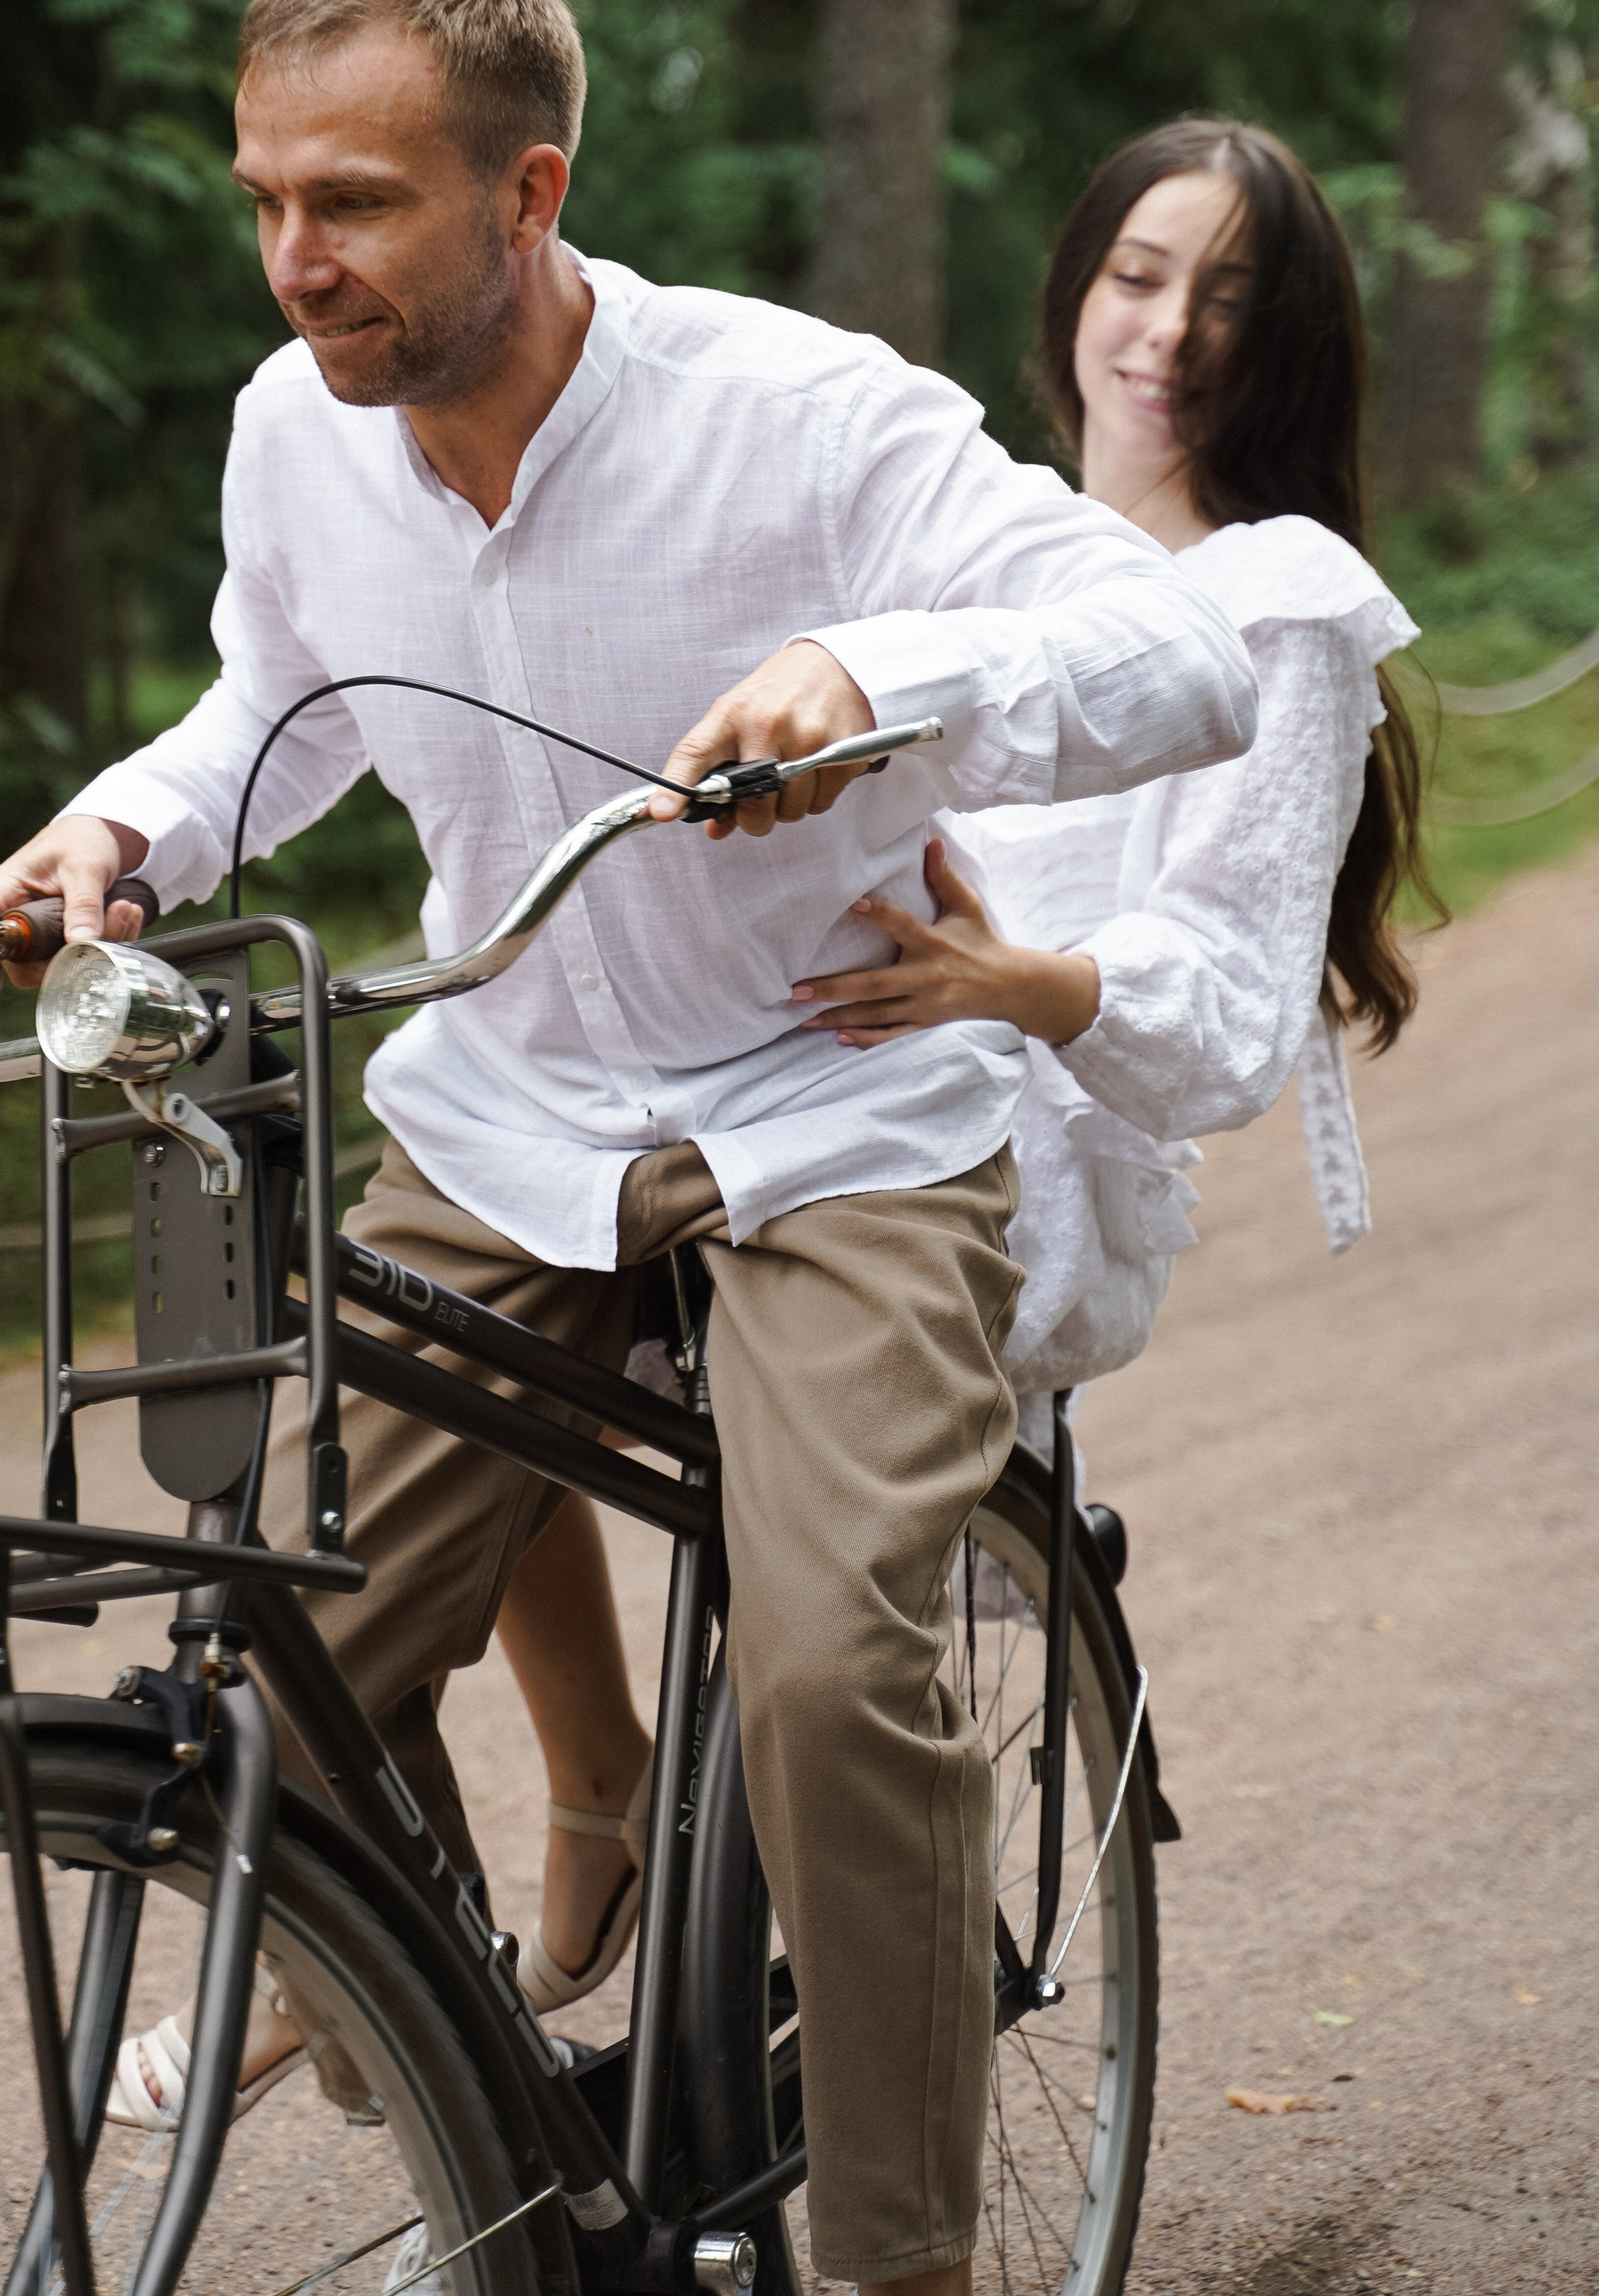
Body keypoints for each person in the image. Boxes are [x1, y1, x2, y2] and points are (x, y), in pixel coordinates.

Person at [0, 0, 1258, 2296]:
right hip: (520, 1102)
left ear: (530, 190)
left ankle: (902, 2265)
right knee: (279, 1645)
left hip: (840, 1102)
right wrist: (120, 841)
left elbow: (1185, 653)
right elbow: (278, 701)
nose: (293, 262)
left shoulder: (797, 415)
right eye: (263, 197)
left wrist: (873, 663)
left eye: (352, 203)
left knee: (820, 1665)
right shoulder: (302, 426)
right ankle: (484, 2114)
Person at [497, 116, 1429, 2015]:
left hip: (1018, 1161)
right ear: (1074, 293)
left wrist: (1026, 979)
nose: (1165, 334)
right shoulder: (974, 535)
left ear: (1292, 345)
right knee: (453, 1297)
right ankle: (589, 1798)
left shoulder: (1282, 600)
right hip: (791, 1086)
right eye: (1136, 278)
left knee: (796, 1609)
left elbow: (1236, 988)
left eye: (1226, 299)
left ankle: (789, 2003)